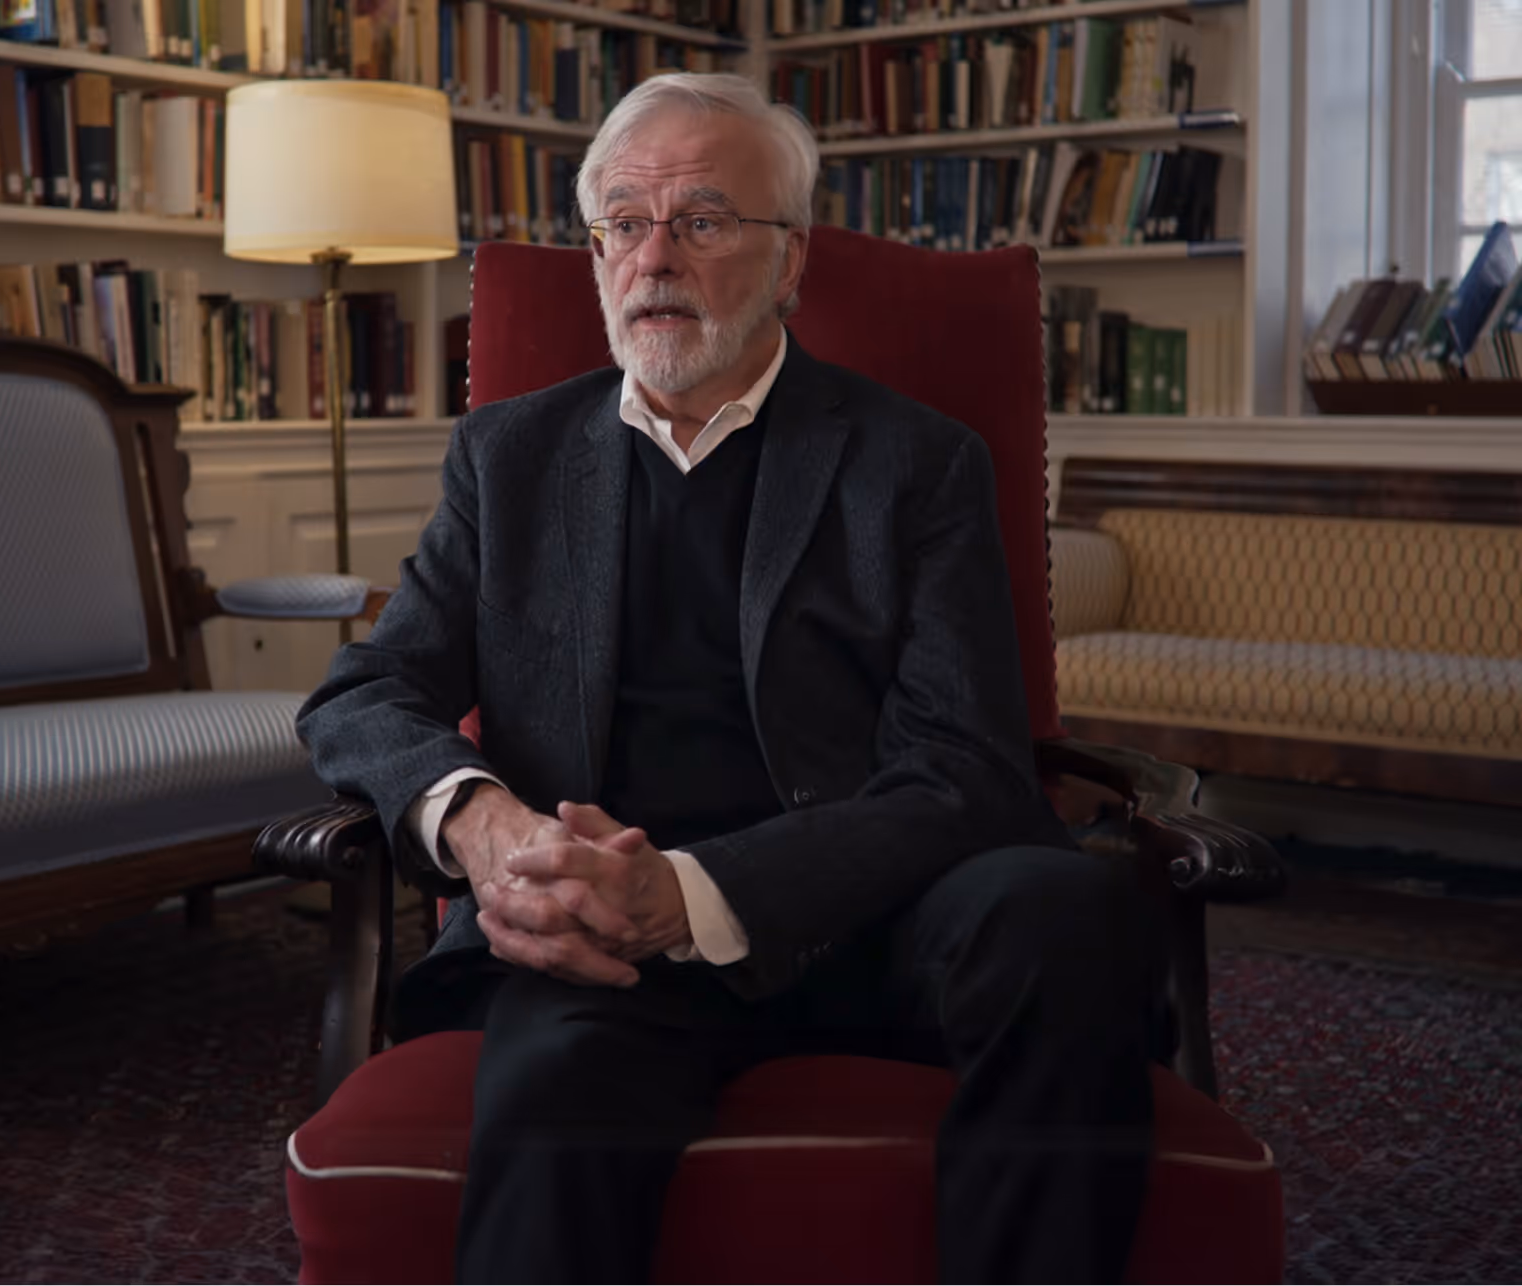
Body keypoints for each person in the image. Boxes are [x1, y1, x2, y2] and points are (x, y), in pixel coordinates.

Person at [294, 73, 1160, 1284]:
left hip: (870, 914)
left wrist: (698, 888)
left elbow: (963, 766)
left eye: (702, 220)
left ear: (790, 259)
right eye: (622, 222)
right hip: (605, 938)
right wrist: (486, 826)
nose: (654, 257)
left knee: (1065, 914)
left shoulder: (916, 464)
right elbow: (363, 694)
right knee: (556, 1089)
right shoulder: (513, 458)